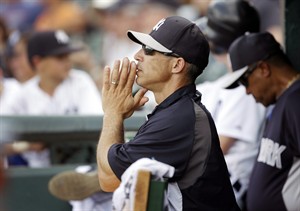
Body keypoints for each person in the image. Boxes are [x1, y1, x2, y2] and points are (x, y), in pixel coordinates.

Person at [97, 15, 240, 210]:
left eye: (149, 50)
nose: (138, 55)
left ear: (177, 65)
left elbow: (109, 180)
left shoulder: (179, 119)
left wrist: (112, 114)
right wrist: (116, 115)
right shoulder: (175, 110)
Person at [195, 1, 266, 208]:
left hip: (225, 192)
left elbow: (214, 149)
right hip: (209, 185)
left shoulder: (246, 88)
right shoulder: (224, 83)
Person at [2, 29, 103, 168]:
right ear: (38, 62)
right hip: (35, 171)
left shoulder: (80, 81)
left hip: (78, 166)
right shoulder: (23, 94)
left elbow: (95, 124)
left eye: (68, 56)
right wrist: (25, 146)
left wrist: (49, 137)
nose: (68, 62)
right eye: (60, 57)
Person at [223, 32, 300, 211]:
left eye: (245, 81)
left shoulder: (296, 101)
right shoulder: (283, 101)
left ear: (263, 69)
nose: (247, 91)